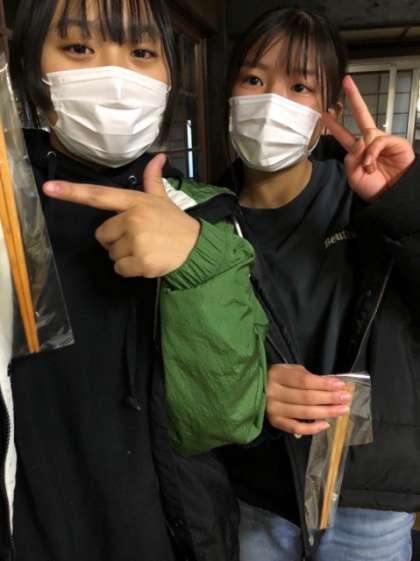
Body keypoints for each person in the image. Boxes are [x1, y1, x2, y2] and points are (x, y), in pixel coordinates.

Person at [4, 1, 269, 560]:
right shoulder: (8, 203)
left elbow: (228, 416)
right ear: (30, 69)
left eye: (142, 52)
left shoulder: (210, 215)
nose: (117, 75)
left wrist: (195, 261)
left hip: (169, 532)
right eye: (79, 48)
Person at [218, 7, 420, 561]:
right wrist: (248, 390)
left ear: (328, 114)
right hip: (259, 486)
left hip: (369, 491)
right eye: (253, 79)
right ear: (230, 94)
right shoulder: (203, 218)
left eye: (300, 86)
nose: (271, 101)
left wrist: (406, 203)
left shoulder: (368, 198)